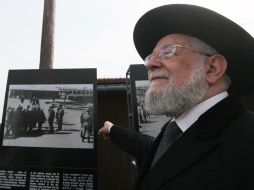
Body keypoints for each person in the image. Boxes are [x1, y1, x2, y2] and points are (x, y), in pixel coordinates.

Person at [98, 4, 254, 190]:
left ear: (212, 69)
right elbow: (158, 154)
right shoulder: (174, 129)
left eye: (167, 51)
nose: (150, 65)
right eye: (151, 56)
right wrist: (114, 130)